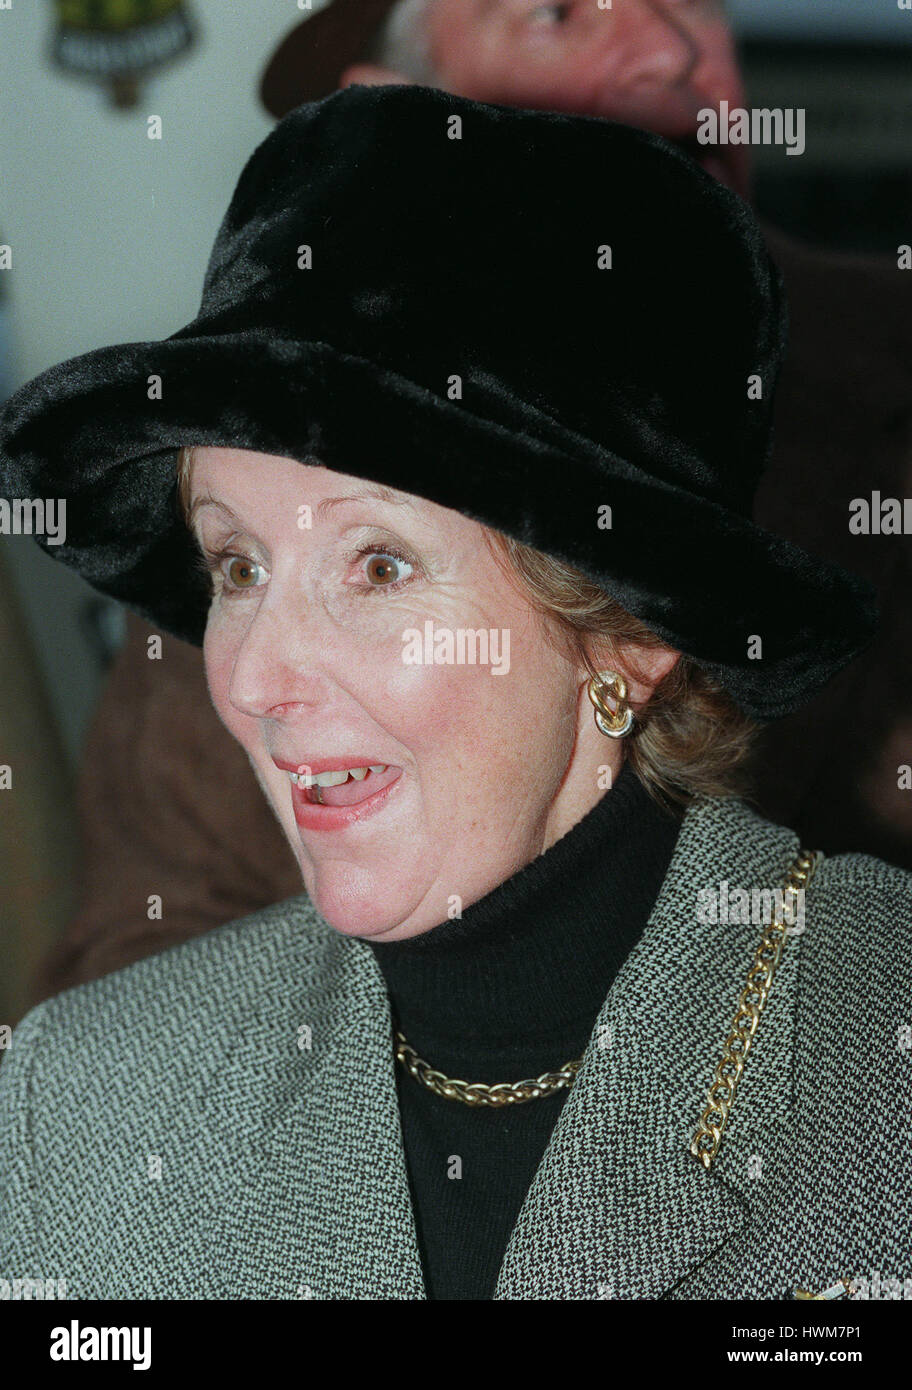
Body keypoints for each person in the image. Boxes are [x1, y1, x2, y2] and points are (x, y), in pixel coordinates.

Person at [0, 83, 909, 1302]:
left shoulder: (876, 1056)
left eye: (377, 565)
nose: (256, 678)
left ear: (627, 635)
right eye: (237, 564)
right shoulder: (88, 1097)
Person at [32, 0, 912, 1007]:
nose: (669, 50)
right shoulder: (263, 464)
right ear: (396, 109)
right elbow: (141, 968)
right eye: (558, 16)